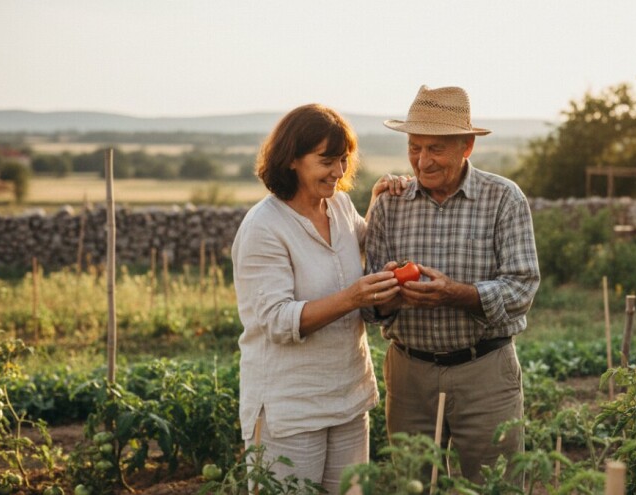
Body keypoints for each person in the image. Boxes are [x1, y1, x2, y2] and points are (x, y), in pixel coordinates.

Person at [363, 85, 541, 483]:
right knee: (413, 484)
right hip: (409, 373)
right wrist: (390, 296)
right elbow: (369, 304)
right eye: (414, 148)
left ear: (466, 147)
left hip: (484, 370)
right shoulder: (390, 203)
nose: (422, 161)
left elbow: (522, 288)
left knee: (496, 485)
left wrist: (455, 294)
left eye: (435, 149)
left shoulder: (503, 199)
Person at [231, 103, 407, 493]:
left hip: (348, 395)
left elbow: (362, 243)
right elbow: (277, 321)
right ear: (291, 159)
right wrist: (352, 297)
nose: (339, 172)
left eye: (344, 160)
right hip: (290, 407)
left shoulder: (339, 206)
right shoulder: (265, 227)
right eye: (327, 161)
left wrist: (380, 201)